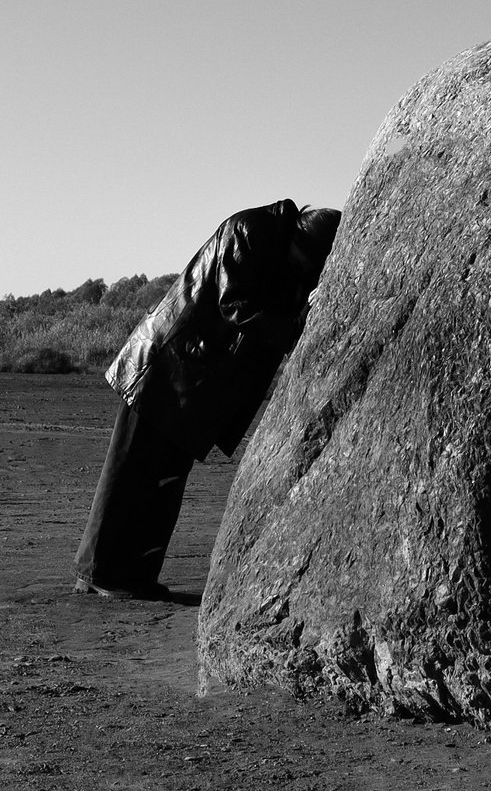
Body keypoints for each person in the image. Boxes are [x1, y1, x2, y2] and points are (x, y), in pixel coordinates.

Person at [71, 199, 342, 599]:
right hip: (163, 368)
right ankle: (99, 573)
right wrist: (299, 319)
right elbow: (234, 304)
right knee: (128, 471)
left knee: (164, 482)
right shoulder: (249, 231)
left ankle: (132, 576)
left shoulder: (279, 249)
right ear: (301, 239)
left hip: (192, 381)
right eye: (308, 261)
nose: (305, 270)